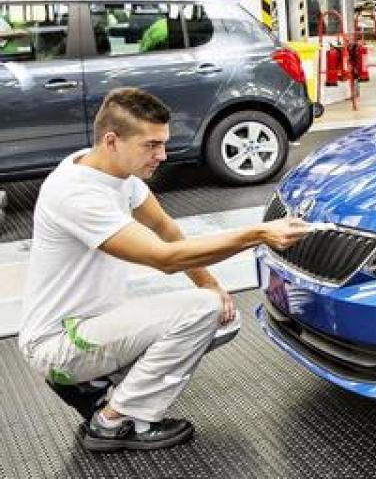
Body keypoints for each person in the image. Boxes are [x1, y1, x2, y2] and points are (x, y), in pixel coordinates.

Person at [18, 87, 310, 452]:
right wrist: (258, 233)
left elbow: (165, 228)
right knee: (202, 310)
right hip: (58, 343)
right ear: (112, 141)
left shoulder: (111, 170)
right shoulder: (76, 194)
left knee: (221, 314)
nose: (162, 155)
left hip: (91, 324)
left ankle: (91, 384)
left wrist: (211, 284)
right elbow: (164, 257)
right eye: (151, 145)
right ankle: (115, 421)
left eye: (163, 143)